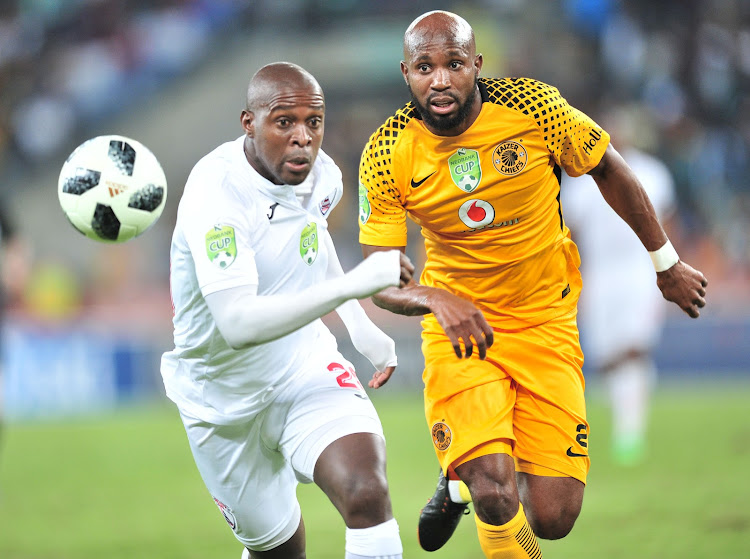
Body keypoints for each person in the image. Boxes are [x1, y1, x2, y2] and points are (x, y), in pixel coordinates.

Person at [357, 10, 708, 558]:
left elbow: (608, 168)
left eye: (454, 63)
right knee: (497, 493)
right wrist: (434, 296)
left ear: (477, 64)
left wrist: (665, 263)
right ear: (407, 73)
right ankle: (474, 474)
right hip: (461, 330)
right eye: (425, 67)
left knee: (553, 516)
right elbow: (380, 278)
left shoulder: (533, 108)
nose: (441, 79)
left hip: (546, 321)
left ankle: (458, 480)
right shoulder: (387, 151)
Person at [161, 61, 413, 559]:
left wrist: (359, 325)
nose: (303, 138)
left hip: (304, 368)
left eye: (313, 122)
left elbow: (311, 243)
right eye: (284, 122)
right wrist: (357, 286)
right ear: (248, 123)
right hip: (222, 402)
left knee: (367, 492)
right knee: (280, 551)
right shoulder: (217, 193)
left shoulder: (324, 179)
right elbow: (237, 324)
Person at [561, 104, 677, 466]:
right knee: (607, 357)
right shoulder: (581, 178)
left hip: (639, 270)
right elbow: (572, 231)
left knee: (633, 347)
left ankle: (630, 434)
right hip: (599, 274)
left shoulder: (653, 173)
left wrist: (670, 268)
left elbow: (667, 224)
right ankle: (624, 418)